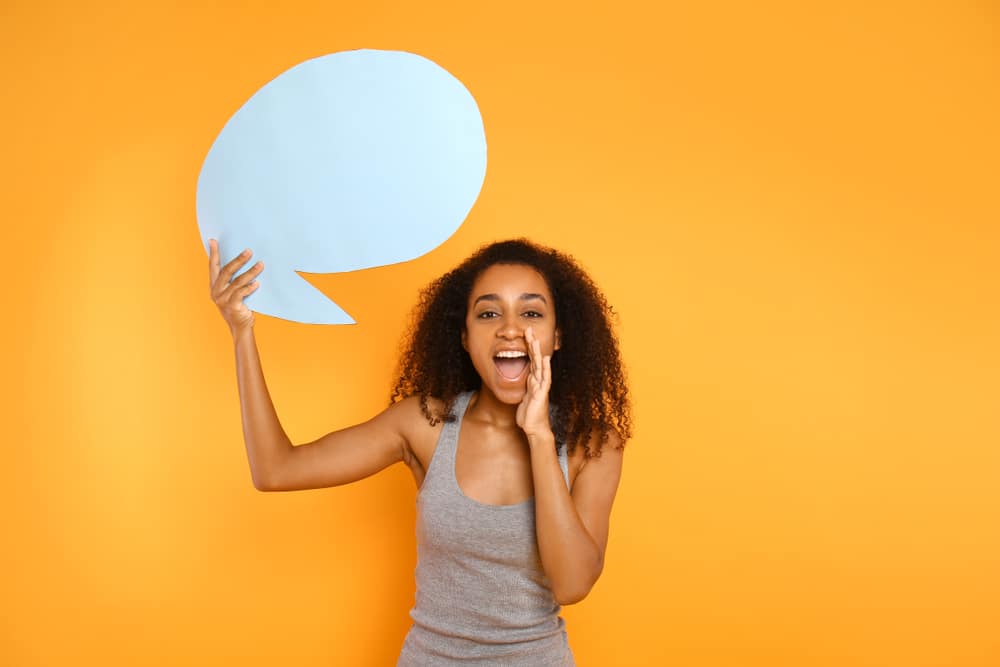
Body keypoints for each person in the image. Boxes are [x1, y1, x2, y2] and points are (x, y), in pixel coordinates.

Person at [208, 237, 632, 666]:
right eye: (488, 313)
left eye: (531, 313)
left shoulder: (594, 445)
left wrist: (539, 436)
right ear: (464, 337)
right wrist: (242, 332)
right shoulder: (425, 424)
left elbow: (572, 585)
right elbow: (276, 470)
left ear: (557, 336)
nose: (509, 328)